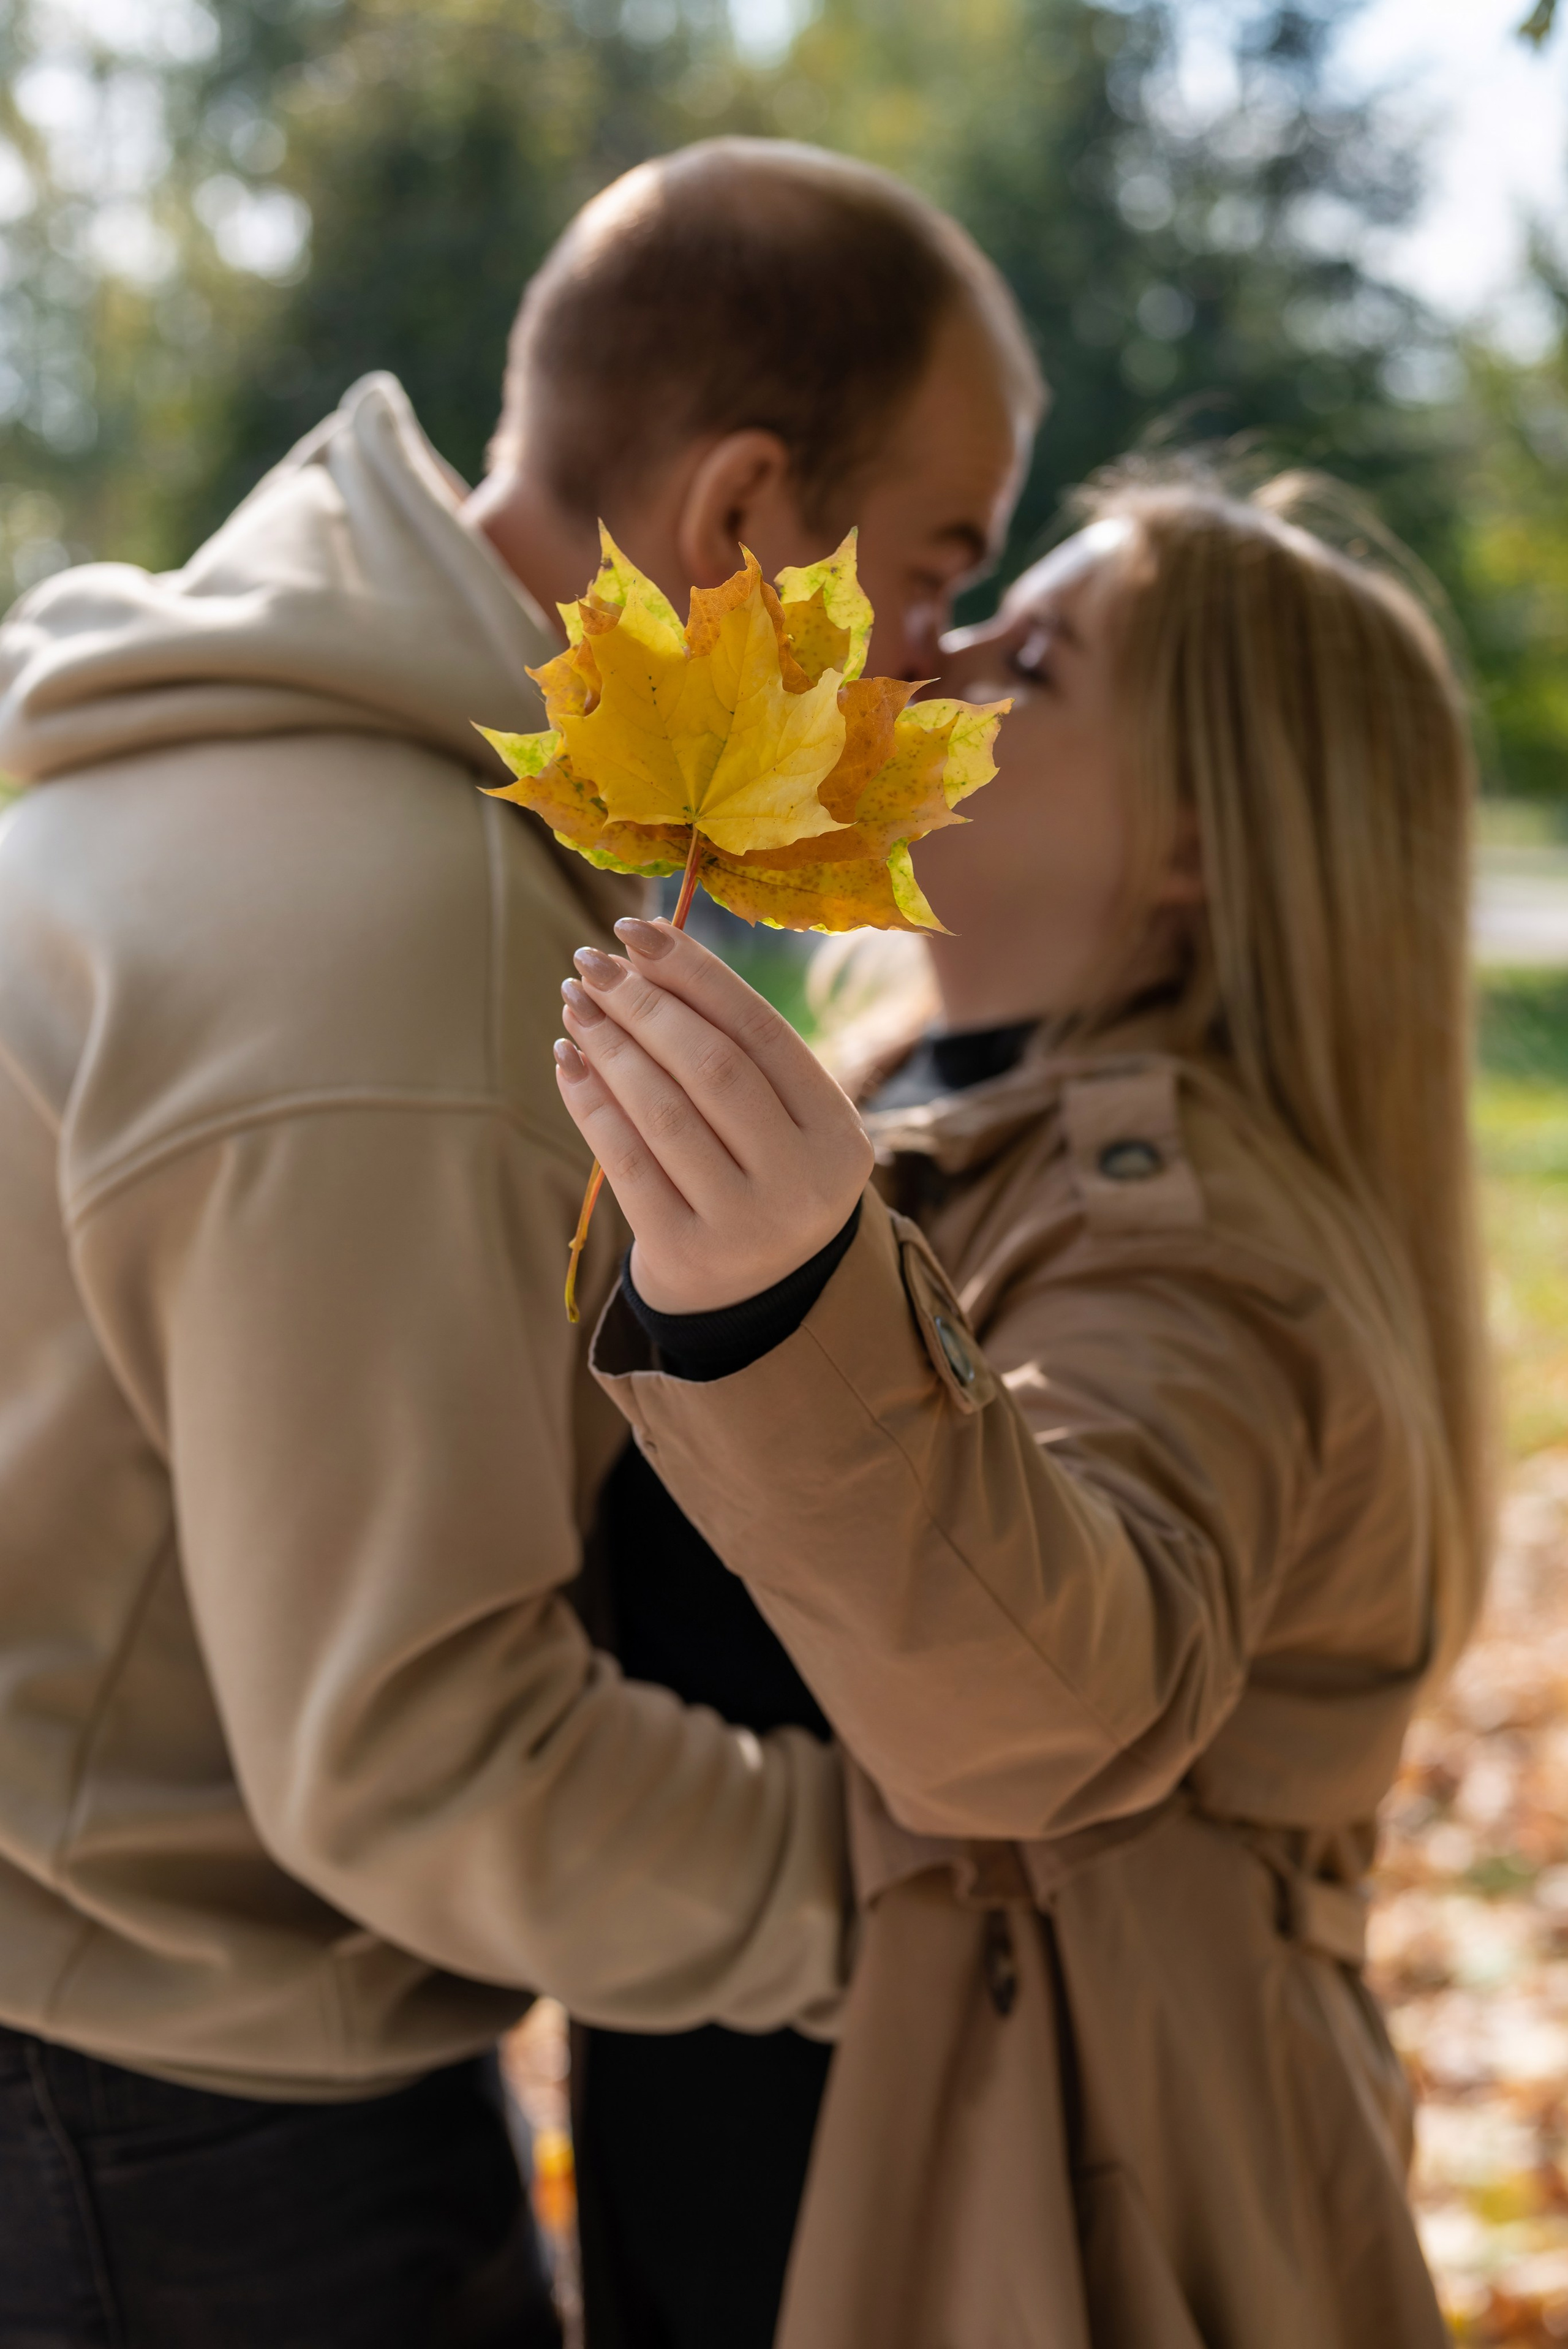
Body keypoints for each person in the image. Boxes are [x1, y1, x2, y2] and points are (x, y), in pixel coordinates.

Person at [0, 138, 1039, 2347]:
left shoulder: (222, 760)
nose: (947, 666)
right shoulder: (399, 933)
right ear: (744, 519)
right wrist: (931, 1882)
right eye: (938, 569)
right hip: (177, 2112)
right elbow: (422, 1751)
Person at [554, 469, 1489, 2349]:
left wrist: (791, 1300)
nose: (933, 651)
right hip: (804, 2169)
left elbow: (1058, 1716)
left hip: (1046, 2224)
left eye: (1032, 657)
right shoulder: (932, 1108)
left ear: (1202, 849)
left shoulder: (1201, 1243)